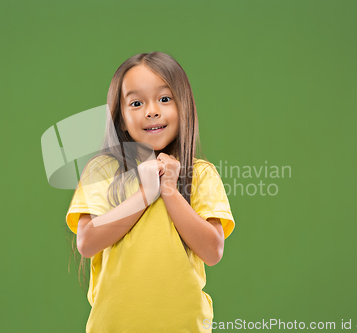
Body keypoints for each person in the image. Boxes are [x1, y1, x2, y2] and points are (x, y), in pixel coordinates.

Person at [65, 51, 235, 332]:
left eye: (165, 99)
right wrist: (145, 193)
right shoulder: (102, 171)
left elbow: (212, 250)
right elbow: (87, 242)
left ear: (185, 108)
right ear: (120, 119)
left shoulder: (201, 173)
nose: (152, 110)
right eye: (136, 102)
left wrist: (169, 188)